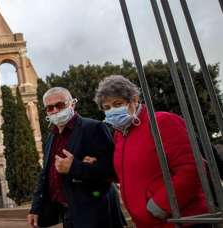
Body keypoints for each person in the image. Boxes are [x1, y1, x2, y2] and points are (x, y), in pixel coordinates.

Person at [93, 75, 208, 228]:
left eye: (117, 103)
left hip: (180, 221)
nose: (112, 110)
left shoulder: (162, 122)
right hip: (148, 223)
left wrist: (159, 206)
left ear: (134, 100)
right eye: (106, 108)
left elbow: (192, 169)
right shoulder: (120, 135)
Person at [28, 87, 125, 228]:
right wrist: (36, 208)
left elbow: (113, 171)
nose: (55, 110)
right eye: (49, 108)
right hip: (68, 213)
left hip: (96, 213)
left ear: (72, 104)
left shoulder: (94, 128)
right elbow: (45, 175)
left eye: (59, 105)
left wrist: (74, 167)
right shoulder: (51, 137)